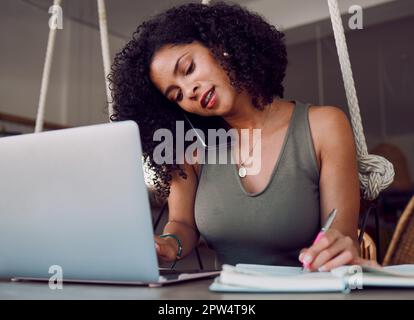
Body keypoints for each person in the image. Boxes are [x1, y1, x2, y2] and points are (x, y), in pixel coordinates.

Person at [109, 2, 371, 271]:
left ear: (219, 45)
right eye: (176, 95)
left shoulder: (324, 126)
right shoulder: (189, 151)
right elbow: (182, 224)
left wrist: (338, 246)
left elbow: (341, 234)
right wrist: (168, 244)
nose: (189, 91)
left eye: (188, 69)